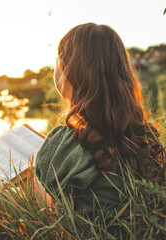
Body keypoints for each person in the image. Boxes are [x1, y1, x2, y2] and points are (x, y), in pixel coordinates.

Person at [32, 22, 165, 216]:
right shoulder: (144, 138)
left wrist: (31, 179)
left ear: (69, 71)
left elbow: (50, 211)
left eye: (58, 62)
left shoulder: (65, 142)